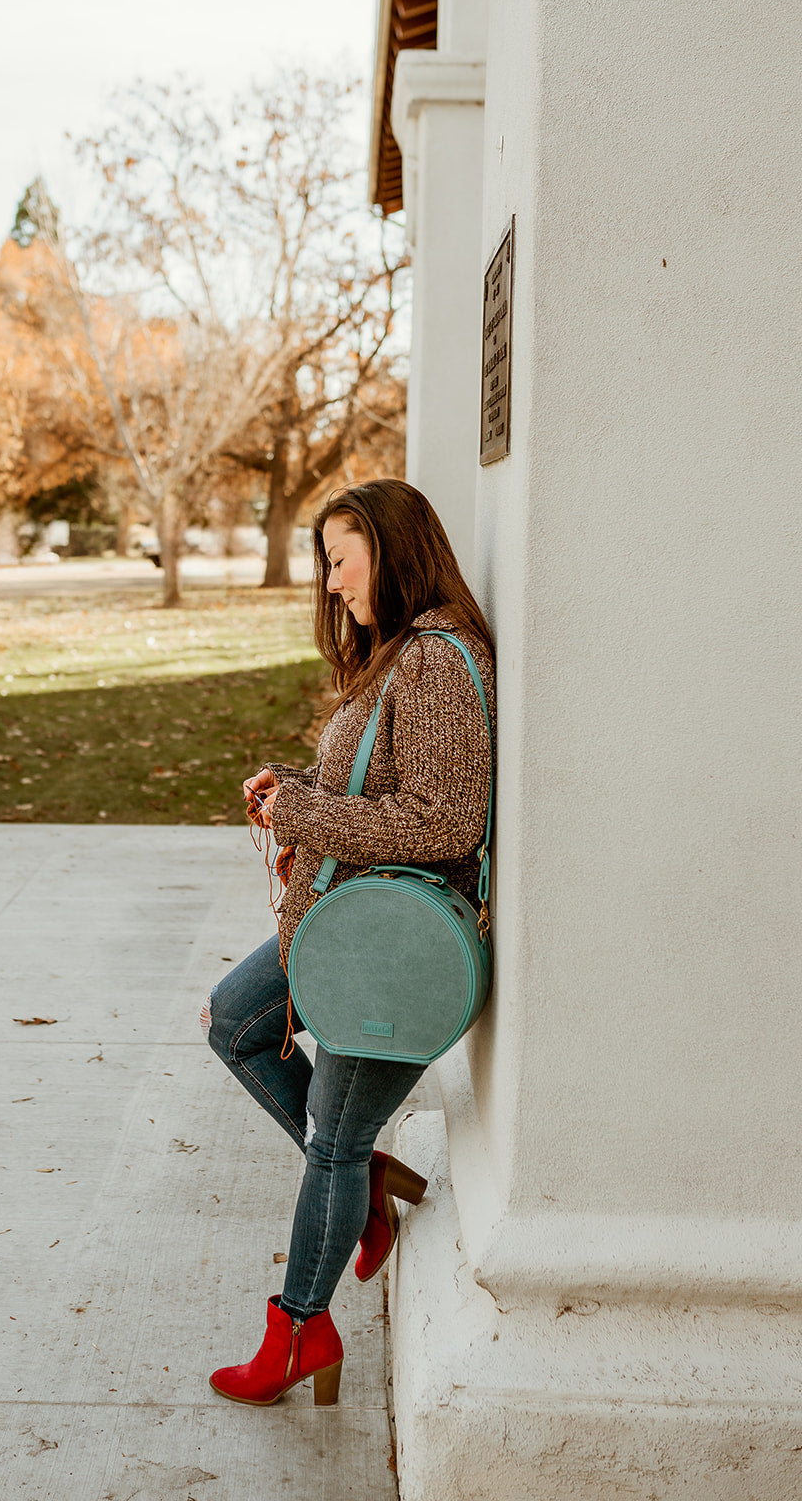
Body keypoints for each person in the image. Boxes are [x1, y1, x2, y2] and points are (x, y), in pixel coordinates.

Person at [203, 478, 495, 1407]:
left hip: (393, 952)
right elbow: (380, 791)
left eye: (340, 561)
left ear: (392, 552)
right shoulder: (399, 655)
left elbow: (444, 823)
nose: (331, 584)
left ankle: (298, 1331)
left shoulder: (438, 663)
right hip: (345, 926)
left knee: (330, 1139)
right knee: (237, 1022)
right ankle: (366, 1182)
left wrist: (302, 810)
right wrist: (294, 791)